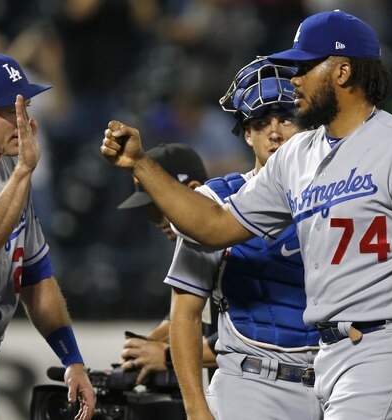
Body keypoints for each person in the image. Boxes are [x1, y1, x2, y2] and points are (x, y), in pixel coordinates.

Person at [100, 10, 392, 420]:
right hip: (334, 352)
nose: (295, 79)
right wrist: (141, 164)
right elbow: (213, 227)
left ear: (342, 71)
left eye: (305, 67)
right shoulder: (297, 156)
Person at [166, 58, 321, 420]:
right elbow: (185, 313)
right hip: (251, 386)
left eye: (286, 118)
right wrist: (196, 410)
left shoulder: (339, 196)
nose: (275, 133)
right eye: (260, 123)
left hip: (332, 385)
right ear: (247, 134)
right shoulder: (214, 202)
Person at [0, 53, 95, 420]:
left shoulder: (8, 172)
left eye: (26, 105)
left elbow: (36, 275)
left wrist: (73, 360)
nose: (25, 120)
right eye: (10, 109)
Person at [116, 143, 217, 385]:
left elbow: (246, 341)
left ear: (194, 190)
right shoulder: (195, 250)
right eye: (148, 211)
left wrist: (167, 356)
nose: (154, 220)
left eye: (158, 207)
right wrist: (146, 347)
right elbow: (182, 320)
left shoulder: (237, 245)